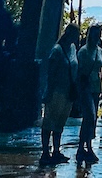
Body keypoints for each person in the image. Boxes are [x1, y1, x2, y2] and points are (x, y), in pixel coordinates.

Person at [41, 24, 79, 166]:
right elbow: (51, 74)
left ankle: (56, 150)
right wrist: (48, 92)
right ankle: (45, 151)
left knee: (59, 123)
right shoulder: (57, 51)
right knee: (49, 121)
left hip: (68, 92)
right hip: (56, 91)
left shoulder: (73, 49)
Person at [75, 25, 102, 167]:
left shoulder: (99, 51)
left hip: (95, 87)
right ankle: (88, 147)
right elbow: (79, 72)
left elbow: (100, 72)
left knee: (90, 118)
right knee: (90, 116)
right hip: (85, 87)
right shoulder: (84, 52)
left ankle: (82, 147)